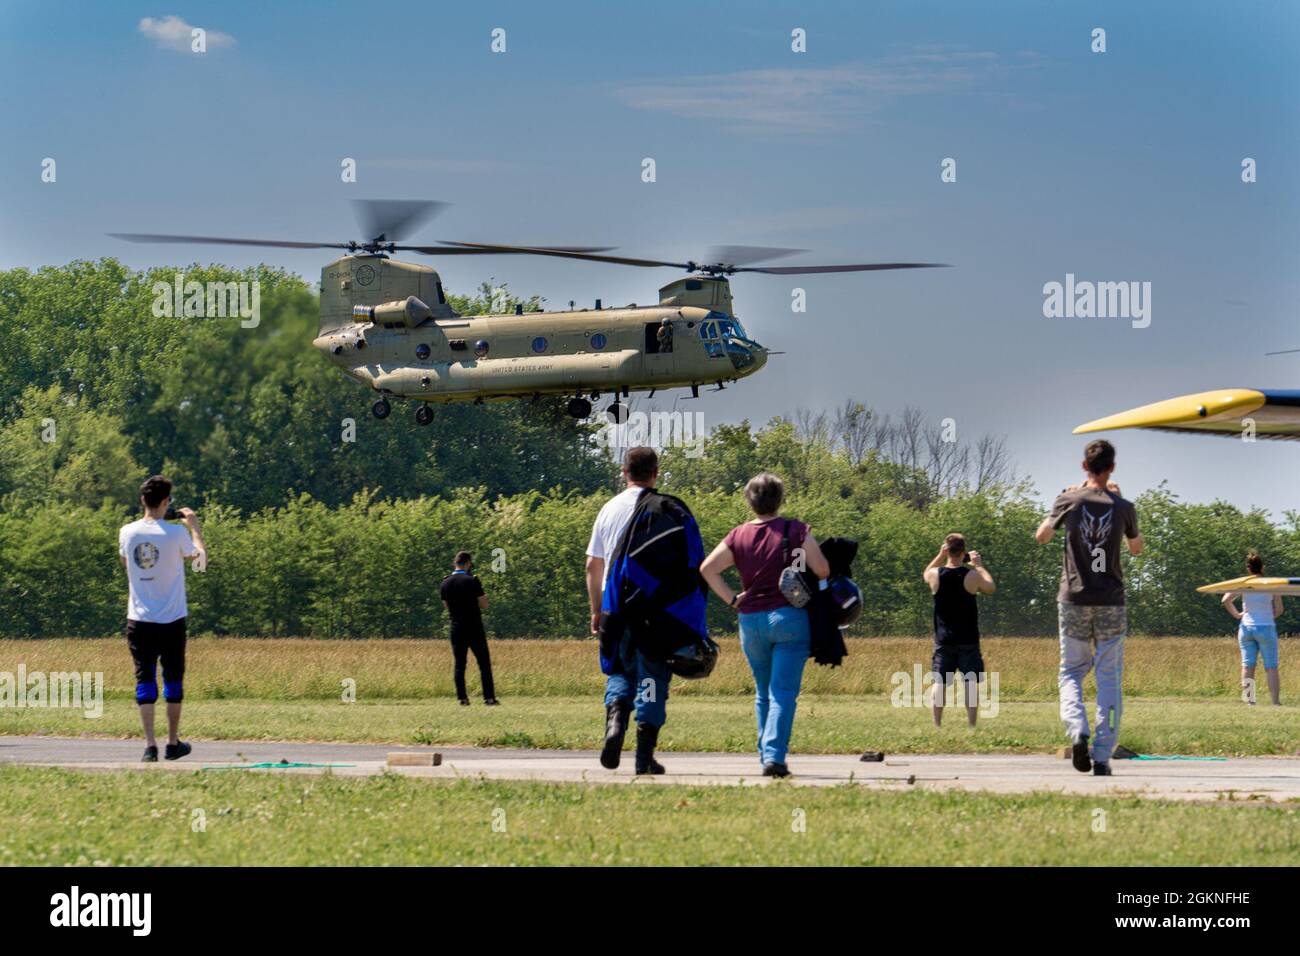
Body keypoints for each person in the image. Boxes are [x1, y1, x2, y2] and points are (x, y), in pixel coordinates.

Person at [700, 473, 829, 777]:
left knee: (763, 692)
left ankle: (764, 755)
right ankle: (774, 757)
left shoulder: (738, 535)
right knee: (782, 692)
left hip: (750, 620)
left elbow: (708, 568)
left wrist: (733, 599)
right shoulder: (795, 530)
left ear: (749, 500)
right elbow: (822, 569)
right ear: (780, 499)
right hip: (789, 618)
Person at [1035, 439, 1143, 777]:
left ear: (1085, 466)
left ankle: (1077, 728)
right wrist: (1118, 499)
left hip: (1074, 599)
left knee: (1071, 671)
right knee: (1109, 678)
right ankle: (1101, 756)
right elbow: (1137, 549)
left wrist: (1067, 497)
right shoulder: (1124, 506)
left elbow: (1041, 536)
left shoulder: (1069, 500)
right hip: (1110, 600)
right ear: (1112, 467)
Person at [586, 447, 673, 774]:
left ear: (624, 472)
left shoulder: (608, 510)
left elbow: (593, 565)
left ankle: (615, 723)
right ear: (655, 472)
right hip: (653, 606)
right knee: (652, 674)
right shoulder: (664, 509)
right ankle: (644, 755)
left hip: (614, 603)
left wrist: (596, 609)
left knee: (621, 670)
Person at [118, 475, 206, 763]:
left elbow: (125, 562)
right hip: (171, 619)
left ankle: (149, 745)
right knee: (173, 679)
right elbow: (200, 560)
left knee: (144, 678)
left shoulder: (127, 532)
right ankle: (172, 741)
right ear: (167, 502)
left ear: (143, 500)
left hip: (139, 618)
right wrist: (193, 528)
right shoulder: (176, 534)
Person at [922, 533, 996, 727]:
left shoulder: (935, 575)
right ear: (963, 552)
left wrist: (939, 555)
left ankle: (937, 724)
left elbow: (926, 572)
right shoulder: (971, 575)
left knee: (940, 682)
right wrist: (978, 564)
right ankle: (972, 724)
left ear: (947, 550)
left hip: (943, 639)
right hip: (968, 639)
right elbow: (990, 587)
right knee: (970, 683)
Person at [1220, 551, 1282, 706]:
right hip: (1266, 627)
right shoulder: (1272, 584)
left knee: (1248, 666)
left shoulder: (1244, 583)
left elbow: (1225, 600)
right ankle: (1275, 702)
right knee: (1271, 667)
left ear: (1248, 568)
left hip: (1246, 628)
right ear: (1262, 567)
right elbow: (1280, 609)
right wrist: (1268, 616)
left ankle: (1250, 701)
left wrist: (1238, 615)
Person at [439, 552, 498, 706]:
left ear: (455, 563)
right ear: (467, 563)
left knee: (460, 664)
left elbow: (446, 606)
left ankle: (462, 698)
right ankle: (489, 698)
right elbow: (484, 604)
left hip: (456, 627)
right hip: (474, 627)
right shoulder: (472, 580)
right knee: (483, 663)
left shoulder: (445, 582)